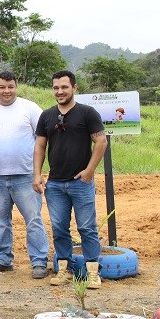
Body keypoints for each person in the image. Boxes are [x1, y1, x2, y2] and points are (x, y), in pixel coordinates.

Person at [34, 70, 107, 288]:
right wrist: (37, 174)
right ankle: (64, 270)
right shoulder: (46, 116)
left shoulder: (87, 113)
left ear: (74, 88)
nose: (60, 91)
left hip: (80, 182)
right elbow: (40, 145)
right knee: (59, 228)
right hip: (55, 183)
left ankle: (93, 271)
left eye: (64, 87)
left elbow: (101, 142)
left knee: (86, 227)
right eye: (56, 87)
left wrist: (89, 171)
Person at [0, 72, 50, 279]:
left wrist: (38, 171)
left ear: (16, 87)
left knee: (33, 219)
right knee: (0, 221)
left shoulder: (30, 108)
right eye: (2, 87)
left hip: (26, 175)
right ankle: (3, 259)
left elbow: (42, 139)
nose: (6, 91)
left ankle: (39, 262)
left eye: (10, 86)